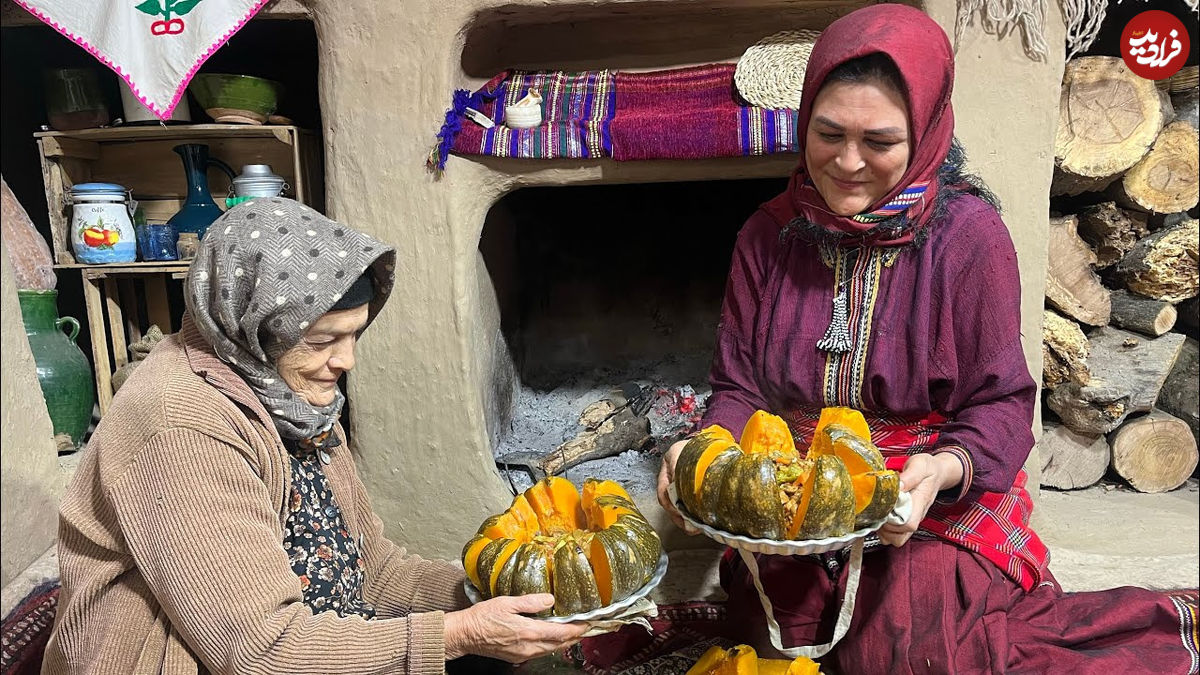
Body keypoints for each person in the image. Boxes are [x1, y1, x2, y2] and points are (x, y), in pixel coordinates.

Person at [657, 5, 1197, 672]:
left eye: (879, 141)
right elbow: (738, 386)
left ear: (925, 131)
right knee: (774, 638)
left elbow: (1000, 405)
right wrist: (700, 448)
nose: (846, 163)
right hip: (798, 488)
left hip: (928, 491)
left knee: (915, 641)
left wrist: (940, 472)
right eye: (828, 134)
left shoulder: (968, 238)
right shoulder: (767, 236)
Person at [42, 198, 586, 674]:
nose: (345, 361)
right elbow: (259, 652)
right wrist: (459, 635)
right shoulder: (179, 423)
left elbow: (373, 571)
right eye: (325, 340)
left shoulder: (291, 397)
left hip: (306, 636)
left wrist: (491, 591)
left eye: (354, 335)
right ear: (255, 325)